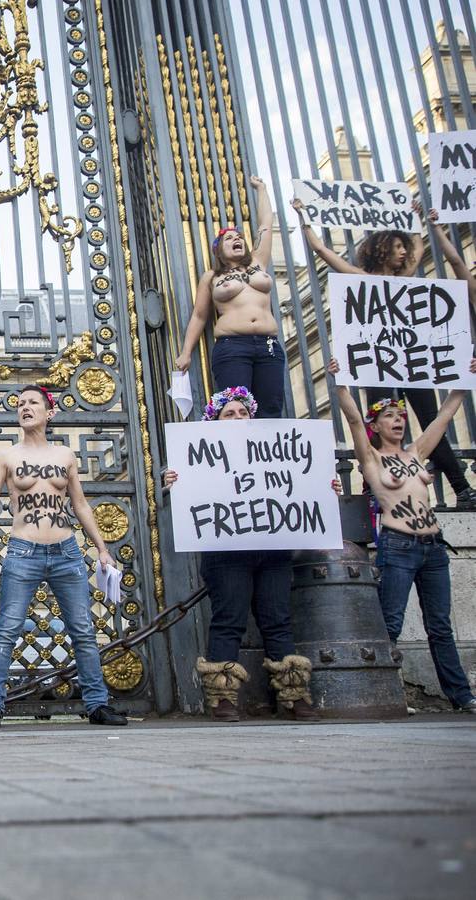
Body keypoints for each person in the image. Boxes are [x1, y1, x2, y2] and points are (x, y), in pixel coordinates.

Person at [163, 386, 335, 722]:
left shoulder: (275, 451)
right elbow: (186, 501)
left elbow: (302, 485)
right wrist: (175, 484)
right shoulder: (200, 458)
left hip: (272, 551)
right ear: (214, 422)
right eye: (230, 414)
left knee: (278, 622)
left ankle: (294, 696)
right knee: (228, 622)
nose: (238, 418)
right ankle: (222, 698)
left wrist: (326, 488)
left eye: (244, 413)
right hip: (226, 553)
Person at [0, 384, 128, 729]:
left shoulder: (65, 456)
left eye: (32, 403)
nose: (24, 408)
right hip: (23, 551)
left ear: (49, 412)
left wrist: (101, 548)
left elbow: (80, 504)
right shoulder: (7, 457)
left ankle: (97, 704)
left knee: (82, 629)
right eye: (20, 404)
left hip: (67, 552)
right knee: (6, 629)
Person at [296, 200, 473, 507]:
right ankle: (373, 491)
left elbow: (417, 247)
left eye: (403, 247)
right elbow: (326, 254)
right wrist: (306, 222)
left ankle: (462, 490)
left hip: (413, 363)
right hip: (377, 364)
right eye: (396, 247)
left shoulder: (404, 279)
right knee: (377, 425)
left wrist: (417, 220)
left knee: (432, 422)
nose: (404, 252)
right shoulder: (362, 278)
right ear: (381, 250)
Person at [330, 356, 476, 713]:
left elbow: (442, 420)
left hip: (434, 547)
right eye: (390, 417)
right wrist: (341, 384)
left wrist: (461, 382)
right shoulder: (372, 460)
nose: (399, 420)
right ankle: (388, 691)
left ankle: (461, 696)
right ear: (376, 426)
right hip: (398, 546)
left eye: (400, 416)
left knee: (440, 627)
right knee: (390, 623)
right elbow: (352, 419)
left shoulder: (416, 453)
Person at [175, 176, 285, 417]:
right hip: (232, 346)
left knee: (272, 407)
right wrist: (186, 352)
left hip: (268, 344)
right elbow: (199, 316)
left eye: (239, 238)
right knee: (234, 407)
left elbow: (266, 224)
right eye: (229, 238)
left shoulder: (258, 262)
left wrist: (262, 189)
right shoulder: (212, 276)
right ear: (219, 250)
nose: (237, 240)